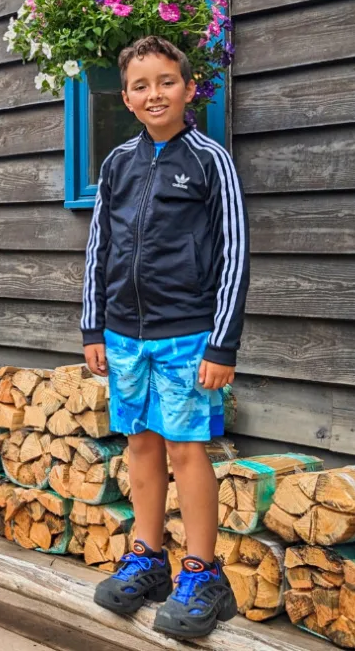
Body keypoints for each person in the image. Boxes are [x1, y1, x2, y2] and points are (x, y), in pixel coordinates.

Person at [81, 35, 249, 638]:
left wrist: (221, 342)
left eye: (166, 82)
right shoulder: (117, 165)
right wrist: (92, 326)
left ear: (188, 88)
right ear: (125, 97)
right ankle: (147, 557)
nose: (155, 94)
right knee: (141, 445)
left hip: (187, 335)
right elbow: (98, 248)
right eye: (141, 85)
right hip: (124, 336)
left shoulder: (209, 160)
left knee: (185, 448)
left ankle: (202, 572)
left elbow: (234, 252)